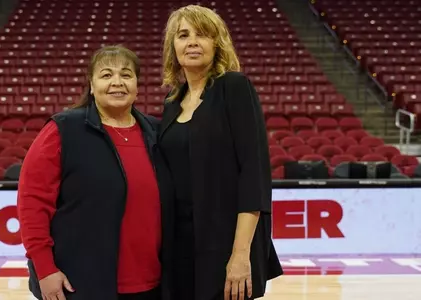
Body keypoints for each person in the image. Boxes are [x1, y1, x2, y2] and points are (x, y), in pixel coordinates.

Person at [17, 45, 174, 300]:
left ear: (137, 85)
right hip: (80, 283)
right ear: (91, 85)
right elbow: (32, 202)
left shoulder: (157, 132)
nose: (117, 82)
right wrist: (45, 269)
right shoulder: (64, 129)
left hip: (152, 284)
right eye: (106, 75)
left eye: (126, 74)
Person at [158, 5, 283, 300]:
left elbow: (254, 175)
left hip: (226, 242)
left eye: (202, 35)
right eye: (183, 35)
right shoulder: (171, 101)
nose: (192, 42)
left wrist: (240, 255)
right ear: (172, 46)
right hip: (180, 244)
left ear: (218, 43)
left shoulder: (234, 87)